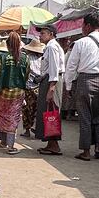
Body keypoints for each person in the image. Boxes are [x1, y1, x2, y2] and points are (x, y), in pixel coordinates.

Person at [64, 13, 99, 161]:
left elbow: (71, 67)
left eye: (82, 25)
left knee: (85, 116)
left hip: (85, 80)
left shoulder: (81, 43)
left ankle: (86, 151)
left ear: (87, 26)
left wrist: (68, 86)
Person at [0, 32, 30, 154]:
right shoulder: (25, 58)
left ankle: (3, 142)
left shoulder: (2, 57)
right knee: (13, 118)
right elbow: (27, 75)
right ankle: (11, 146)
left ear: (7, 45)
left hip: (4, 92)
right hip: (18, 93)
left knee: (3, 116)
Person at [35, 24, 66, 155]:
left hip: (51, 82)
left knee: (51, 112)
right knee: (48, 112)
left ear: (51, 34)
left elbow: (53, 69)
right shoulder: (50, 47)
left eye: (43, 33)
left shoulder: (52, 47)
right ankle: (51, 144)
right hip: (48, 81)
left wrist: (51, 88)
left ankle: (54, 145)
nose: (40, 36)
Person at [21, 40, 45, 138]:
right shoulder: (42, 60)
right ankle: (36, 129)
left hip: (28, 87)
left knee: (26, 110)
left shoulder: (26, 59)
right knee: (36, 110)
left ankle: (27, 130)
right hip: (38, 87)